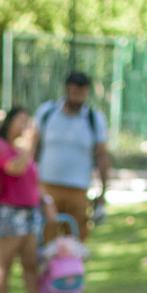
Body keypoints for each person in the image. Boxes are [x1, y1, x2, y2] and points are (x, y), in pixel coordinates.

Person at [0, 108, 51, 293]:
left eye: (27, 120)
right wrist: (31, 145)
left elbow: (34, 181)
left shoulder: (22, 150)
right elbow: (14, 169)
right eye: (20, 120)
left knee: (31, 265)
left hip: (31, 214)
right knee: (4, 265)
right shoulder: (0, 147)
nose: (24, 125)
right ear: (9, 122)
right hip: (10, 213)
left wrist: (47, 203)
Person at [33, 71, 110, 241]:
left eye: (82, 94)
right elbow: (35, 148)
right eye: (75, 93)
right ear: (67, 90)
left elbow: (102, 156)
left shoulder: (94, 119)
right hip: (48, 187)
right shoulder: (47, 113)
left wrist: (103, 190)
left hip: (79, 189)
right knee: (46, 241)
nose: (78, 99)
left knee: (76, 242)